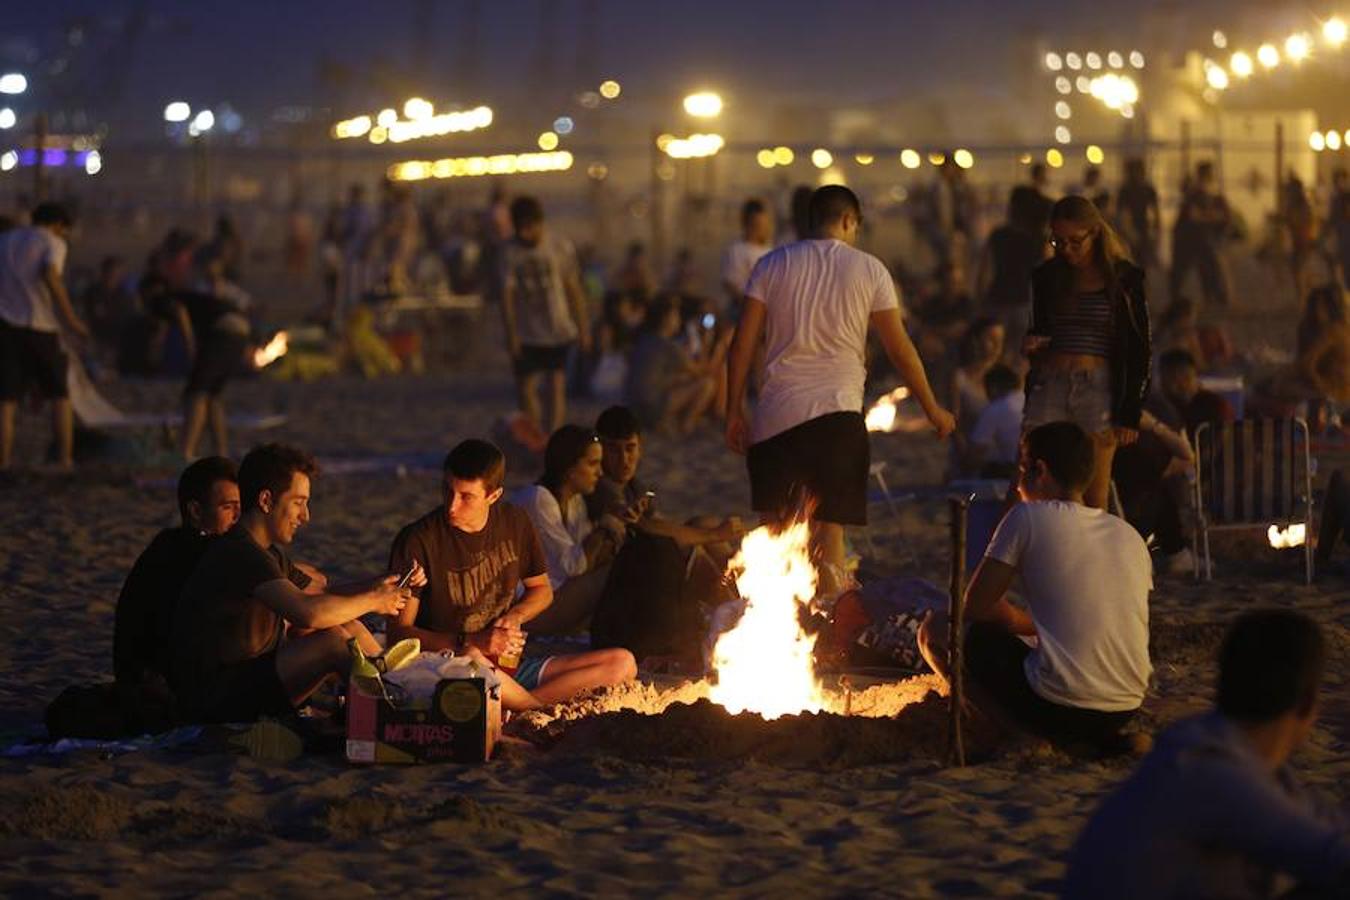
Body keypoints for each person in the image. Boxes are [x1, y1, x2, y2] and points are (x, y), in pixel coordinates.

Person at [725, 185, 955, 595]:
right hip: (839, 419)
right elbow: (901, 350)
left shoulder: (771, 264)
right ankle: (829, 638)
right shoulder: (870, 270)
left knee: (775, 537)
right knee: (830, 538)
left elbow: (742, 343)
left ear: (810, 220)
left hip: (776, 416)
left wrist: (733, 411)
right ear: (849, 221)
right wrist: (933, 408)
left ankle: (774, 632)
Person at [1065, 610, 1349, 898]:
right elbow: (1331, 856)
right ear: (1308, 704)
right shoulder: (1209, 772)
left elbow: (1324, 823)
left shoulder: (1213, 749)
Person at [918, 421, 1152, 756]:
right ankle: (1109, 742)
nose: (1016, 485)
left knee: (936, 629)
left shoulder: (1026, 517)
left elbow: (975, 608)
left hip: (1056, 705)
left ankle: (1021, 734)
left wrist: (1013, 620)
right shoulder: (1127, 534)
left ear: (1039, 470)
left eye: (1021, 470)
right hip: (1125, 704)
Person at [170, 443, 416, 724]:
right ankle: (399, 714)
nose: (305, 516)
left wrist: (385, 584)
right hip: (213, 701)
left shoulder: (265, 552)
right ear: (265, 501)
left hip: (243, 682)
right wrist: (374, 600)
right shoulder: (239, 552)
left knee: (346, 626)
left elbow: (322, 595)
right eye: (298, 503)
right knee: (332, 642)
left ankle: (400, 684)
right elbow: (308, 611)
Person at [388, 439, 634, 704]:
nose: (451, 506)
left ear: (493, 496)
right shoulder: (418, 540)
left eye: (466, 497)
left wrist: (516, 616)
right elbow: (399, 634)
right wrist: (471, 640)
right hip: (450, 666)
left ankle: (518, 705)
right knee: (472, 656)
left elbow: (541, 591)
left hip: (507, 666)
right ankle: (529, 707)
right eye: (447, 491)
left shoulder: (514, 523)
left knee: (622, 663)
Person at [1023, 195, 1151, 510]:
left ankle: (1093, 556)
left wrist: (1129, 413)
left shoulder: (1122, 279)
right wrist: (1032, 343)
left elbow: (1138, 346)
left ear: (1094, 233)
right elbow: (1040, 328)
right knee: (1029, 476)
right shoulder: (1049, 276)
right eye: (1057, 241)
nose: (1066, 249)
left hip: (1097, 384)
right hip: (1051, 380)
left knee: (1095, 489)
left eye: (1075, 241)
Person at [114, 457, 241, 708]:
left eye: (241, 507)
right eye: (228, 507)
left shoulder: (171, 543)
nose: (238, 517)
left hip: (156, 678)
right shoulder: (201, 552)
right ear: (195, 511)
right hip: (160, 690)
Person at [510, 426, 629, 634]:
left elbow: (587, 560)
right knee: (614, 573)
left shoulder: (574, 502)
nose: (600, 473)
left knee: (622, 561)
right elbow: (574, 566)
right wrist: (604, 527)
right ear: (569, 468)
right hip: (524, 610)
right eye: (592, 464)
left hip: (554, 597)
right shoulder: (538, 499)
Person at [0, 202, 90, 471]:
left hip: (5, 326)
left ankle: (3, 462)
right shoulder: (52, 243)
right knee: (59, 394)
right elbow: (51, 276)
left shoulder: (5, 240)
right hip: (40, 326)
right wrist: (72, 321)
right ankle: (64, 459)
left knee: (6, 399)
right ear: (58, 225)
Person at [499, 195, 590, 433]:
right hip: (526, 330)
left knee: (555, 384)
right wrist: (511, 333)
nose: (527, 235)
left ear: (540, 223)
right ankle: (536, 435)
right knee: (525, 387)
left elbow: (573, 289)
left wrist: (583, 327)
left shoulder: (558, 245)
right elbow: (507, 296)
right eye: (522, 230)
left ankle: (553, 435)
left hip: (556, 327)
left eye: (531, 228)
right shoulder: (509, 252)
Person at [624, 294, 718, 434]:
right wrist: (706, 342)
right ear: (665, 319)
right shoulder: (668, 346)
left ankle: (667, 421)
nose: (679, 320)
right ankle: (687, 425)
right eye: (675, 315)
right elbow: (701, 372)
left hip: (632, 406)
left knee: (682, 378)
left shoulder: (644, 340)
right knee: (707, 384)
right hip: (652, 407)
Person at [976, 187, 1049, 363]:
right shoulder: (1040, 239)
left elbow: (984, 274)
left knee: (993, 357)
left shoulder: (998, 236)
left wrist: (980, 302)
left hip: (997, 302)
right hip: (1025, 304)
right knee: (1021, 360)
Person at [1170, 161, 1232, 309]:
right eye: (1207, 174)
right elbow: (1193, 216)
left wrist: (1210, 217)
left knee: (1209, 269)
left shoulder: (1211, 194)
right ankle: (1177, 299)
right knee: (1182, 270)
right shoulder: (1195, 194)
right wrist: (1211, 216)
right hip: (1188, 238)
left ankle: (1214, 298)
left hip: (1204, 238)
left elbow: (1224, 216)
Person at [948, 318, 1004, 476]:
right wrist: (965, 457)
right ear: (975, 340)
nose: (997, 346)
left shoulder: (1007, 376)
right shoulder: (959, 377)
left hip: (1002, 458)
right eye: (991, 339)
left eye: (1000, 340)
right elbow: (954, 423)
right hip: (969, 455)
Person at [1156, 348, 1234, 437]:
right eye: (1171, 380)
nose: (1182, 385)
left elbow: (1224, 444)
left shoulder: (1216, 406)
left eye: (1187, 378)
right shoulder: (1158, 409)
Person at [963, 364, 1024, 478]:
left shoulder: (995, 409)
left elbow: (974, 455)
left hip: (1015, 471)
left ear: (993, 388)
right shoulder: (1027, 399)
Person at [721, 198, 774, 317]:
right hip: (742, 310)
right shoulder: (736, 250)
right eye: (758, 225)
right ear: (748, 224)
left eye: (764, 224)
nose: (762, 229)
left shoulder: (770, 250)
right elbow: (730, 283)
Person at [1116, 156, 1161, 268]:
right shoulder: (1127, 189)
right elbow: (1123, 213)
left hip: (1141, 227)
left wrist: (1156, 229)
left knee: (1139, 262)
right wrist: (1129, 230)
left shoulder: (1143, 188)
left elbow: (1155, 211)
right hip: (1135, 228)